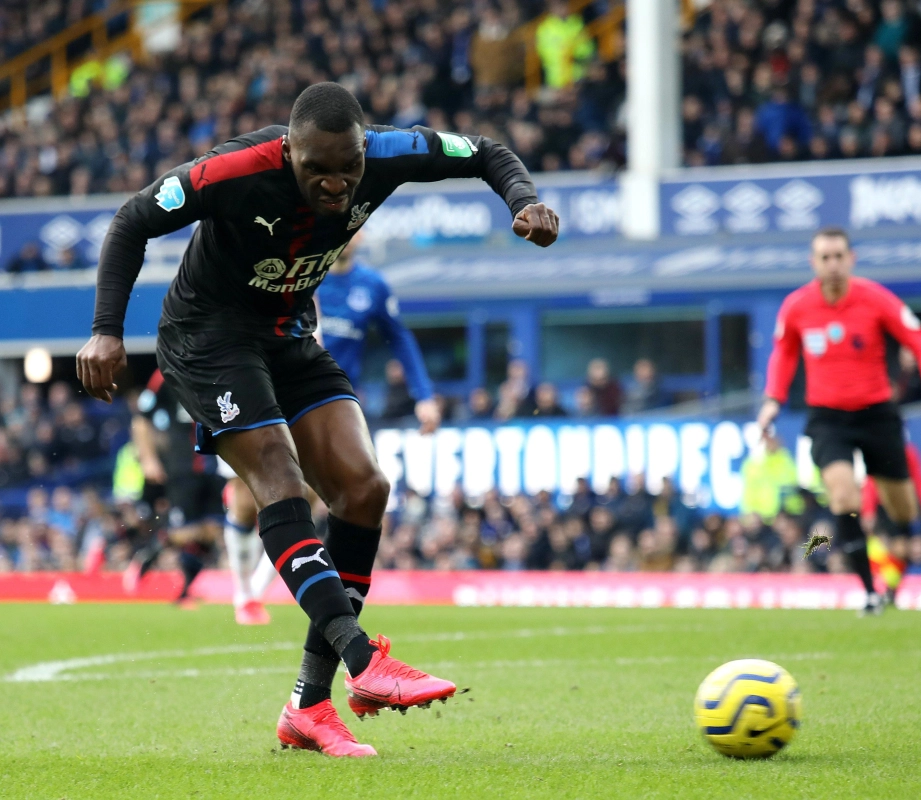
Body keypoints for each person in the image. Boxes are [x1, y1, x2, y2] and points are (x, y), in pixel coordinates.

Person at [77, 82, 559, 757]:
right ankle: (364, 661)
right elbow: (132, 218)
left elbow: (486, 151)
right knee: (278, 476)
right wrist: (105, 331)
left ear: (365, 150)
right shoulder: (233, 170)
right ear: (289, 151)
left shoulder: (390, 153)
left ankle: (308, 706)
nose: (335, 185)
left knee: (365, 489)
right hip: (207, 340)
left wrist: (525, 200)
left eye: (348, 168)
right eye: (316, 170)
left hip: (288, 333)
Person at [757, 227, 921, 616]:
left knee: (903, 511)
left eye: (838, 256)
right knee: (844, 499)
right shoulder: (797, 307)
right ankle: (867, 592)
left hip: (877, 415)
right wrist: (772, 400)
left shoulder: (875, 299)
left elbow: (920, 342)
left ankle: (892, 578)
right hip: (828, 418)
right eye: (824, 258)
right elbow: (783, 354)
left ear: (851, 258)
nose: (832, 265)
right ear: (813, 263)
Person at [316, 233, 439, 433]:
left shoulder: (372, 285)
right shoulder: (302, 280)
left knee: (362, 464)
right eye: (340, 225)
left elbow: (400, 339)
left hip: (342, 400)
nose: (345, 233)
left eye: (352, 227)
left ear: (361, 234)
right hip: (294, 397)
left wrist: (424, 396)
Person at [124, 369, 225, 608]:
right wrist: (148, 458)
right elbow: (141, 418)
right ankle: (147, 557)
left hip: (217, 465)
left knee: (213, 530)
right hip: (183, 465)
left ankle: (185, 592)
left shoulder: (222, 364)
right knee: (186, 529)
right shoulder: (167, 372)